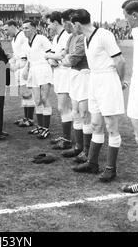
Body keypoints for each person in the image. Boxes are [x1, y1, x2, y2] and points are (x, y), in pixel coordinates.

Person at [71, 9, 127, 182]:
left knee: (111, 126)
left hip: (108, 80)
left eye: (74, 25)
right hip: (94, 80)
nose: (74, 28)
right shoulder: (86, 38)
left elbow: (120, 61)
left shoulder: (104, 35)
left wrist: (119, 81)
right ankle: (92, 163)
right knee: (95, 123)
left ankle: (111, 169)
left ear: (78, 24)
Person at [60, 9, 92, 163]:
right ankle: (78, 146)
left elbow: (70, 60)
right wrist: (63, 58)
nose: (65, 26)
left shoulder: (81, 38)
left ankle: (86, 150)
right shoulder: (70, 38)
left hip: (83, 74)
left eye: (65, 22)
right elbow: (63, 55)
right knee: (75, 112)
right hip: (74, 75)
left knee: (84, 112)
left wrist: (63, 59)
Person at [45, 11, 73, 149]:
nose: (48, 26)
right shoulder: (56, 38)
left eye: (49, 23)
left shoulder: (66, 36)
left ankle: (68, 139)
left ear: (55, 22)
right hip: (58, 74)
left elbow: (62, 56)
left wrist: (48, 56)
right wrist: (51, 58)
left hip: (66, 74)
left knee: (64, 107)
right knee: (64, 108)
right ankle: (67, 137)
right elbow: (54, 56)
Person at [121, 0, 138, 192]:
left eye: (127, 17)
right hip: (137, 88)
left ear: (134, 16)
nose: (126, 21)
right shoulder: (136, 31)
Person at [21, 19, 53, 139]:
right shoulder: (25, 44)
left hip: (44, 69)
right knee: (37, 100)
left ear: (34, 28)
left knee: (44, 98)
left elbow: (50, 53)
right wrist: (26, 69)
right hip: (33, 71)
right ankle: (40, 126)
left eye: (27, 28)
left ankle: (46, 129)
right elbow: (29, 60)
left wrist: (53, 63)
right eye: (23, 28)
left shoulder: (41, 39)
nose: (25, 30)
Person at [3, 20, 35, 128]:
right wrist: (11, 56)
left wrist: (26, 67)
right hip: (19, 66)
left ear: (13, 27)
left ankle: (30, 119)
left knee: (27, 93)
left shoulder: (22, 36)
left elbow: (28, 52)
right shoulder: (14, 39)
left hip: (25, 66)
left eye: (7, 29)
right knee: (23, 93)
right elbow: (18, 54)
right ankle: (26, 117)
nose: (5, 32)